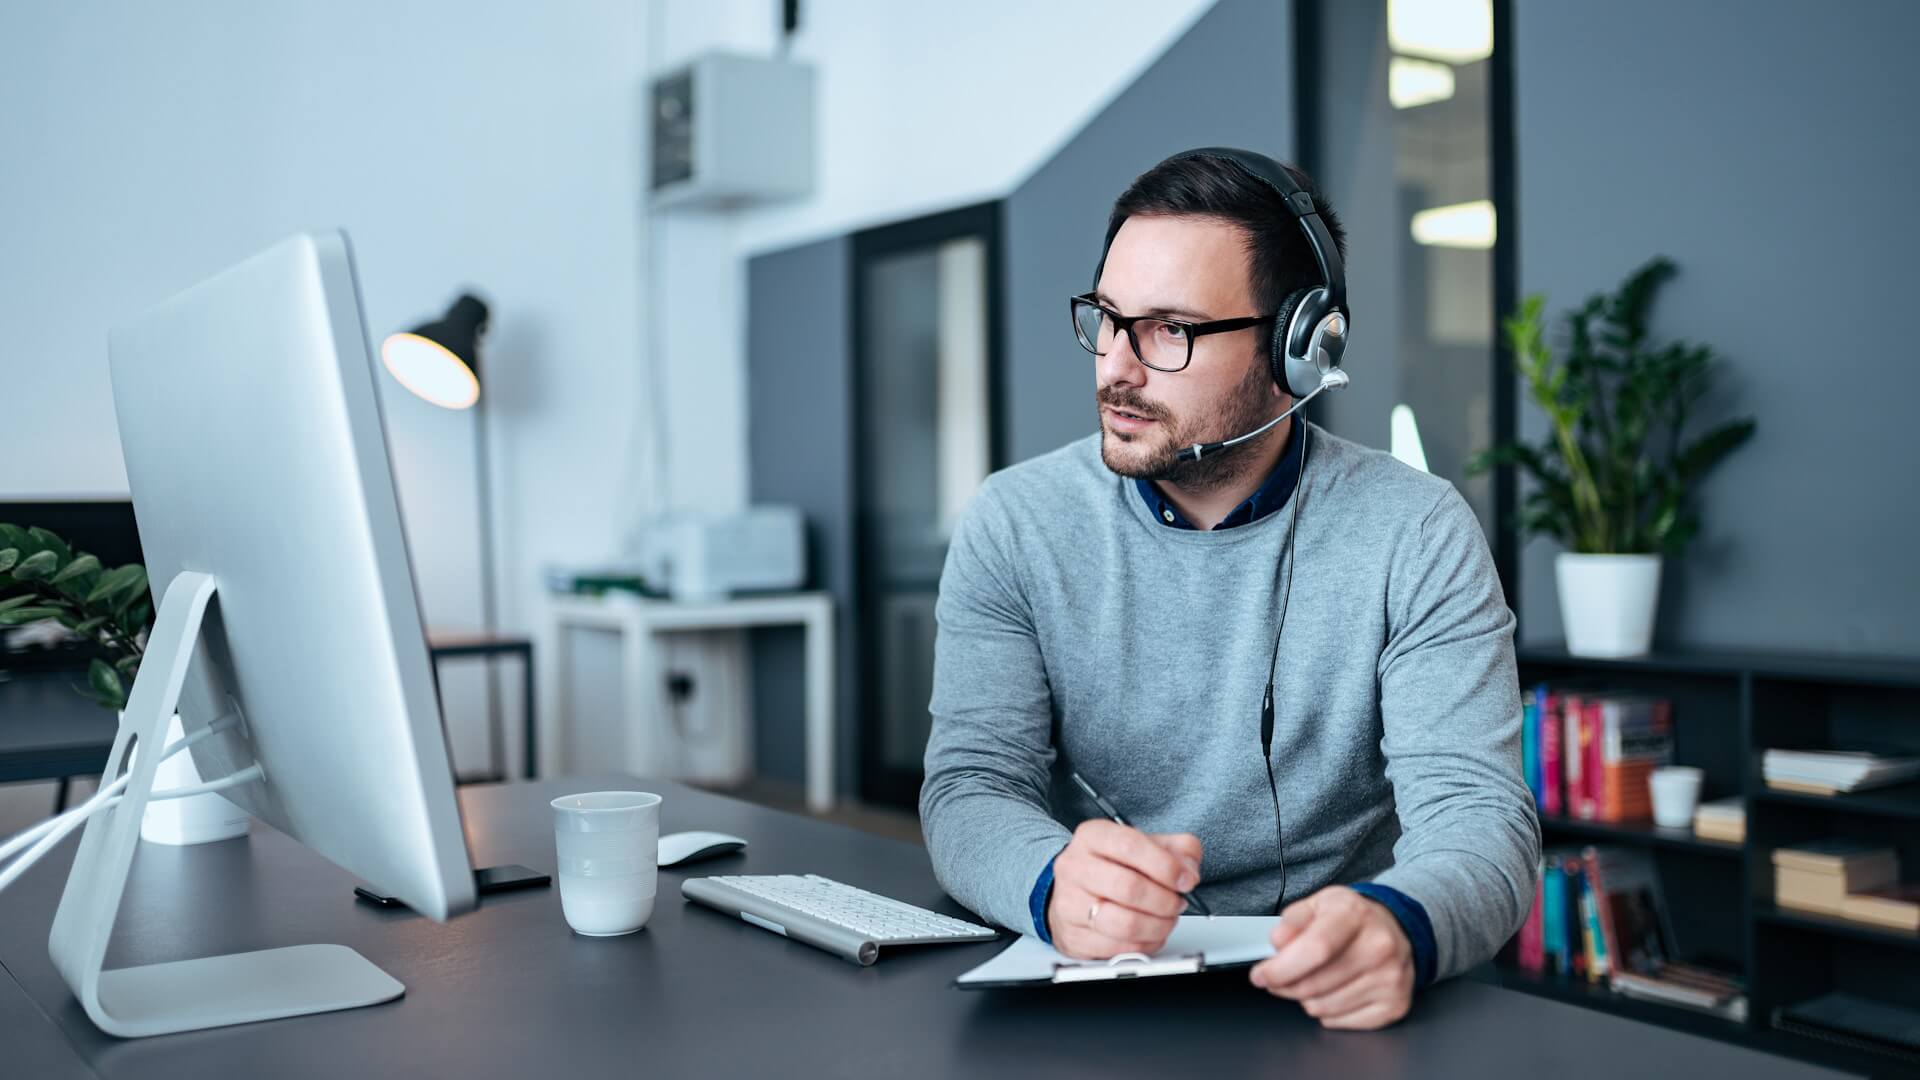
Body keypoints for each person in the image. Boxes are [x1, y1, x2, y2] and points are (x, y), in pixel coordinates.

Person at [920, 147, 1540, 1030]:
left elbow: (1480, 815)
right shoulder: (1015, 523)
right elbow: (970, 787)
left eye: (1169, 329)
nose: (1115, 367)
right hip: (1091, 986)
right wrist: (1050, 881)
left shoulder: (1417, 531)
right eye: (1106, 317)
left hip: (1333, 996)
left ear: (1298, 349)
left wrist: (1403, 926)